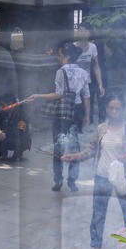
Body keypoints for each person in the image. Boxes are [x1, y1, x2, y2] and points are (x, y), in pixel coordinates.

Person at [63, 92, 126, 249]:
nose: (114, 111)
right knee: (98, 213)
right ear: (106, 109)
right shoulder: (101, 129)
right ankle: (96, 248)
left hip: (123, 178)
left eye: (117, 108)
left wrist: (124, 160)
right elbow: (91, 150)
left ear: (123, 109)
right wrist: (75, 156)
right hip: (102, 176)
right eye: (111, 107)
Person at [27, 41, 91, 192]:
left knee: (58, 145)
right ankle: (73, 181)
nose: (58, 57)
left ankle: (58, 180)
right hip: (77, 111)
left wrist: (38, 95)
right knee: (75, 146)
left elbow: (58, 94)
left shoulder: (61, 71)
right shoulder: (83, 72)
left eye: (60, 54)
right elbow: (86, 95)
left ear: (67, 56)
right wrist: (87, 115)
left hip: (62, 113)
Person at [73, 24, 105, 101]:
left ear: (90, 33)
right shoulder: (72, 47)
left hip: (87, 82)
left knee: (88, 107)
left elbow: (96, 67)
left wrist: (100, 85)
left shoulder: (93, 47)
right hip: (74, 83)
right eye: (80, 31)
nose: (82, 33)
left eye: (86, 31)